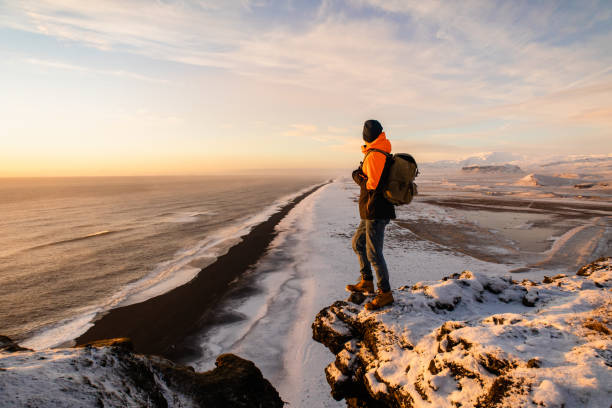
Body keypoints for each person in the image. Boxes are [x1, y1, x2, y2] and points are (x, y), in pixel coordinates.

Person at [347, 119, 395, 310]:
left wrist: (357, 177)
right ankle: (367, 281)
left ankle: (385, 293)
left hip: (376, 210)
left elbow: (372, 184)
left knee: (374, 254)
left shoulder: (375, 154)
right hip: (370, 210)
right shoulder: (374, 151)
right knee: (358, 244)